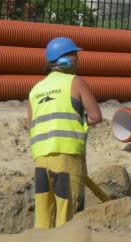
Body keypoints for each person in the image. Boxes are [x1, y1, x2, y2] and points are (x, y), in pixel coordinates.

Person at [27, 37, 102, 229]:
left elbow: (32, 124)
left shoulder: (35, 89)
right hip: (67, 157)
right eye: (75, 55)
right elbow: (95, 116)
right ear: (64, 60)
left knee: (43, 214)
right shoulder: (75, 83)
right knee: (68, 215)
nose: (78, 59)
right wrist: (77, 123)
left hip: (41, 158)